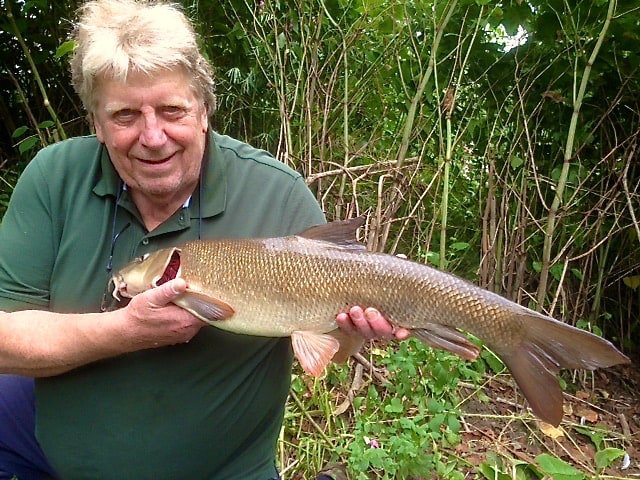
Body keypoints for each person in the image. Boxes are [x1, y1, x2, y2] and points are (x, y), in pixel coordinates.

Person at [0, 1, 408, 479]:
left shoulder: (276, 194)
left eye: (172, 110)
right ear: (96, 124)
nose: (153, 136)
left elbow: (332, 347)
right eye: (125, 115)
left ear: (204, 112)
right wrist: (122, 332)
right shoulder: (55, 178)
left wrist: (352, 332)